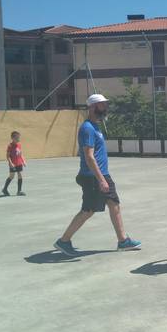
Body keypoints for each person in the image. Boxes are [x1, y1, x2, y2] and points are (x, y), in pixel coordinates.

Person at [54, 94, 141, 256]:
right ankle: (63, 241)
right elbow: (89, 156)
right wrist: (101, 179)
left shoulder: (95, 126)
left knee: (114, 204)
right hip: (93, 176)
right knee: (88, 210)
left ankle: (123, 241)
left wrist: (103, 177)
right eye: (102, 105)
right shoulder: (87, 128)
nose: (105, 108)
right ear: (93, 107)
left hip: (102, 174)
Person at [2, 131, 26, 196]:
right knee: (11, 176)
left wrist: (23, 161)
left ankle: (19, 191)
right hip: (13, 164)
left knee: (20, 175)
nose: (18, 139)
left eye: (19, 138)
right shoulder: (10, 146)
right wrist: (11, 163)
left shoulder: (19, 145)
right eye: (17, 138)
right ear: (12, 138)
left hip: (19, 163)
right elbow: (8, 156)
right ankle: (4, 189)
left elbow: (20, 154)